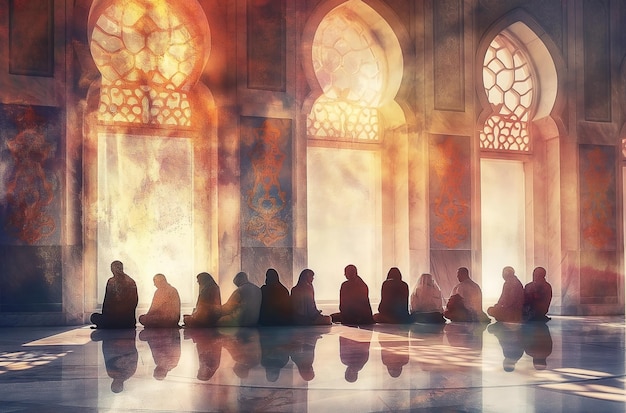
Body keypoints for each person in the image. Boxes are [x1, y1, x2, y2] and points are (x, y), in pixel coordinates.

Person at [91, 260, 138, 329]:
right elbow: (107, 302)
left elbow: (107, 303)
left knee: (94, 317)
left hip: (119, 320)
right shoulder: (130, 281)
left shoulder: (113, 281)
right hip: (127, 322)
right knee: (94, 317)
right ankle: (111, 323)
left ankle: (109, 324)